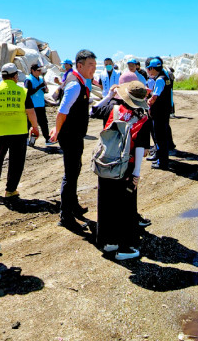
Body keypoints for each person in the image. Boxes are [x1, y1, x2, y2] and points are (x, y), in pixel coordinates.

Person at [90, 80, 152, 260]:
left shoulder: (112, 108)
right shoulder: (143, 117)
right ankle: (125, 248)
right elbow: (140, 147)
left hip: (106, 161)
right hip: (127, 165)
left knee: (106, 201)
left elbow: (92, 110)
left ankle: (108, 242)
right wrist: (137, 173)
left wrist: (109, 96)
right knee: (125, 207)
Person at [50, 49, 96, 230]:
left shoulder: (78, 81)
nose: (93, 68)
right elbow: (62, 110)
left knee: (76, 169)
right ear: (79, 66)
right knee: (70, 174)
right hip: (70, 136)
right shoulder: (75, 84)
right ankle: (66, 216)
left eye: (94, 64)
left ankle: (74, 206)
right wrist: (57, 130)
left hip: (75, 134)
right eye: (90, 65)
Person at [0, 63, 40, 199]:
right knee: (16, 162)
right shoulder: (22, 92)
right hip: (19, 132)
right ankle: (10, 190)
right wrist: (35, 127)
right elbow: (30, 112)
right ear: (15, 76)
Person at [146, 58, 173, 171]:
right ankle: (163, 160)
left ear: (152, 68)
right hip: (165, 111)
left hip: (159, 113)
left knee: (160, 137)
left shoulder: (160, 80)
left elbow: (155, 97)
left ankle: (162, 162)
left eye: (149, 69)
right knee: (163, 136)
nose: (148, 71)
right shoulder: (165, 77)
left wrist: (149, 101)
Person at [24, 64, 54, 147]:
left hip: (40, 104)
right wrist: (39, 86)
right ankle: (25, 139)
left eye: (40, 70)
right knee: (29, 123)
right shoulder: (28, 80)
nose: (40, 72)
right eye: (38, 70)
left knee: (44, 123)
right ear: (33, 71)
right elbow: (28, 92)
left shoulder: (40, 79)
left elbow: (42, 90)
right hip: (32, 106)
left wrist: (45, 89)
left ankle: (47, 139)